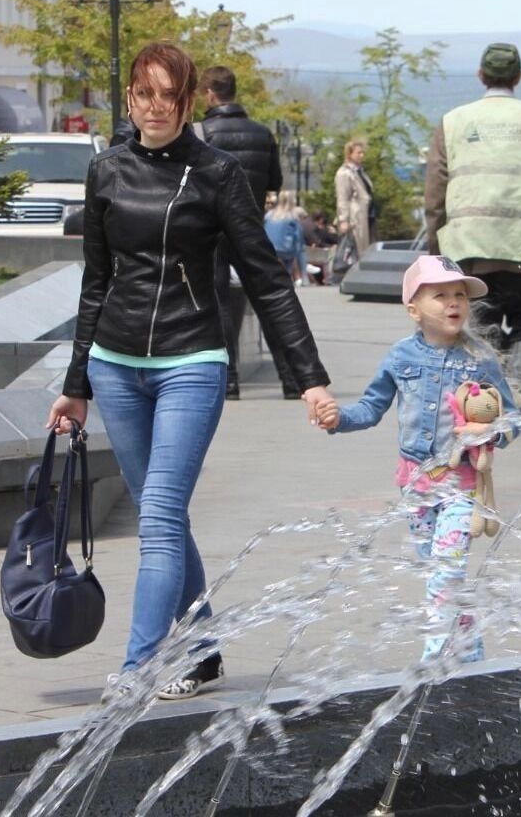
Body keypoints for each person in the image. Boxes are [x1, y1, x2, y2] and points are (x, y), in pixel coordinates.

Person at [46, 41, 336, 700]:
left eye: (168, 97)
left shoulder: (217, 173)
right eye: (143, 94)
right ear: (128, 97)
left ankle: (140, 664)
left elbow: (266, 279)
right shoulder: (107, 172)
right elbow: (96, 283)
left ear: (186, 101)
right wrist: (76, 386)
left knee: (159, 515)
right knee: (162, 516)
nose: (155, 108)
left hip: (191, 362)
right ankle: (201, 651)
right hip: (117, 366)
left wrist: (309, 377)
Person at [312, 255, 517, 664]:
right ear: (413, 309)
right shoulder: (400, 356)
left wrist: (490, 431)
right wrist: (338, 419)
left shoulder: (480, 359)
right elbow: (372, 408)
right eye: (439, 295)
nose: (453, 303)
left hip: (462, 486)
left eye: (459, 295)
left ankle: (432, 661)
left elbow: (512, 418)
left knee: (447, 570)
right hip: (416, 487)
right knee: (440, 575)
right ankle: (472, 653)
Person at [423, 43, 521, 416]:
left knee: (481, 320)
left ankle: (486, 400)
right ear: (518, 77)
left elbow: (435, 193)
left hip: (469, 246)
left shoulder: (453, 121)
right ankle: (519, 382)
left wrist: (435, 246)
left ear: (480, 75)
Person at [194, 66, 298, 400]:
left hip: (210, 231)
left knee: (219, 300)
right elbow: (275, 183)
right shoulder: (262, 133)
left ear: (210, 94)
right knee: (268, 299)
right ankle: (292, 378)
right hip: (250, 225)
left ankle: (229, 380)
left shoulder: (200, 133)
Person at [335, 138, 376, 258]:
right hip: (355, 216)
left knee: (366, 246)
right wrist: (343, 220)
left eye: (363, 153)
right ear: (350, 154)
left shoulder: (360, 171)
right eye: (358, 153)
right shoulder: (344, 173)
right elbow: (342, 198)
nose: (361, 156)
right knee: (356, 248)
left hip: (366, 214)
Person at [264, 190, 306, 283]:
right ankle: (301, 276)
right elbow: (298, 237)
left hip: (269, 248)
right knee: (296, 252)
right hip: (286, 249)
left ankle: (285, 278)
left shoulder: (268, 215)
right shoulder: (292, 217)